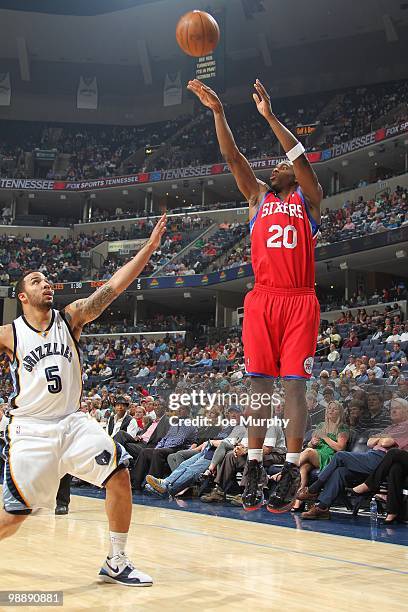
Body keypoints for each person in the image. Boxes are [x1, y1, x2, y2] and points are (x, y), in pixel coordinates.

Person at [0, 214, 166, 587]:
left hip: (73, 423)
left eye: (47, 279)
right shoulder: (9, 334)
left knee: (119, 474)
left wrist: (149, 249)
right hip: (31, 432)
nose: (47, 284)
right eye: (36, 280)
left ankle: (116, 561)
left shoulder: (71, 317)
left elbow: (113, 288)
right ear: (23, 296)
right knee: (13, 518)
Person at [188, 77, 322, 513]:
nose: (275, 167)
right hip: (263, 299)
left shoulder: (309, 199)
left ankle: (288, 466)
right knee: (258, 386)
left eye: (281, 166)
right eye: (275, 167)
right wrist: (219, 113)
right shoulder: (257, 197)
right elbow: (231, 156)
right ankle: (255, 465)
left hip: (299, 299)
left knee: (294, 387)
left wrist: (269, 117)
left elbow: (298, 157)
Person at [298, 398, 408, 519]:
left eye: (397, 409)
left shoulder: (406, 427)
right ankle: (322, 508)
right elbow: (370, 442)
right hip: (371, 458)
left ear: (406, 411)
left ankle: (313, 489)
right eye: (391, 409)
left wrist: (381, 440)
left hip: (382, 460)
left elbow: (387, 442)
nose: (392, 411)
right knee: (339, 472)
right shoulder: (390, 428)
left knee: (340, 456)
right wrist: (380, 440)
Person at [292, 401, 349, 510]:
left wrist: (325, 437)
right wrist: (312, 442)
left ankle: (286, 470)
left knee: (308, 452)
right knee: (303, 468)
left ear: (340, 412)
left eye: (334, 409)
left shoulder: (343, 428)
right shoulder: (321, 425)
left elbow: (340, 448)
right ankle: (299, 500)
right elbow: (310, 444)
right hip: (316, 453)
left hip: (330, 457)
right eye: (329, 408)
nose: (330, 410)